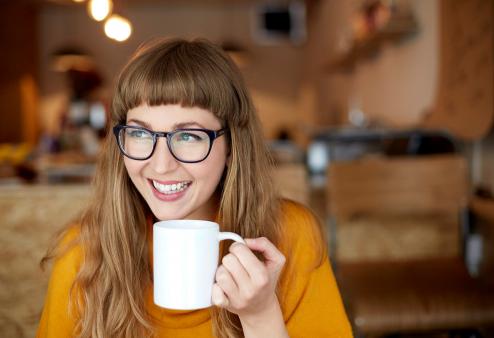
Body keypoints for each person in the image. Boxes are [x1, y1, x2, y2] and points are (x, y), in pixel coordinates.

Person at [36, 38, 352, 338]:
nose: (160, 165)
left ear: (231, 146)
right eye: (141, 134)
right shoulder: (82, 253)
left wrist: (260, 316)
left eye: (188, 136)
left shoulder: (291, 236)